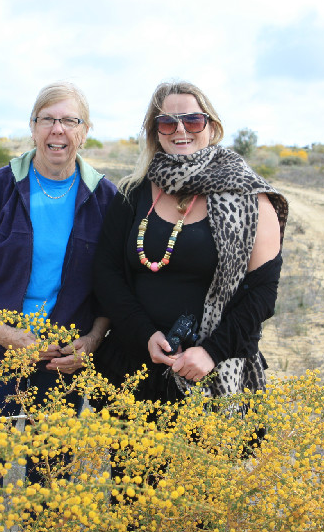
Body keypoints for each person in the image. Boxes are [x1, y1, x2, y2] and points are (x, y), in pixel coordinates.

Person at [0, 81, 116, 527]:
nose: (58, 129)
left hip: (62, 364)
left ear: (85, 130)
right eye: (48, 119)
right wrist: (1, 333)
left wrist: (92, 340)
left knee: (50, 488)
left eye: (69, 120)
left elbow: (116, 287)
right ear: (33, 127)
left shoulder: (106, 199)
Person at [92, 80, 288, 409]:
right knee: (134, 462)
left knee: (202, 462)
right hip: (134, 365)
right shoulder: (132, 192)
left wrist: (211, 352)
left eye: (193, 120)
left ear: (212, 127)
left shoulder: (251, 200)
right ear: (155, 131)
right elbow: (106, 271)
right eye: (167, 122)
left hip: (214, 371)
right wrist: (145, 335)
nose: (180, 129)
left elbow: (263, 294)